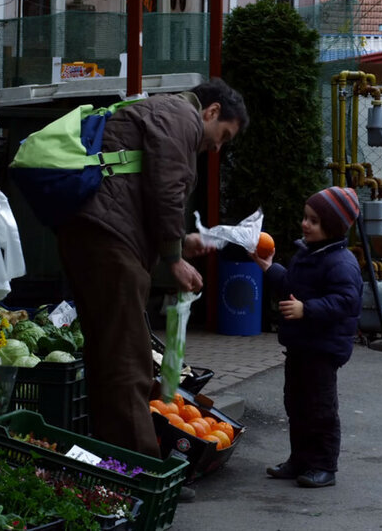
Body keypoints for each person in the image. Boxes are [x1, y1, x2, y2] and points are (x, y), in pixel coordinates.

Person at [55, 78, 248, 461]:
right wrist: (174, 259)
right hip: (110, 243)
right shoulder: (181, 115)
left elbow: (140, 185)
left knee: (107, 354)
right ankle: (139, 468)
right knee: (130, 360)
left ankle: (110, 463)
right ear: (211, 112)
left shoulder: (159, 112)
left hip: (93, 236)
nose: (217, 147)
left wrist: (179, 242)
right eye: (223, 135)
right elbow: (167, 187)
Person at [251, 186, 363, 489]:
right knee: (296, 404)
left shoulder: (341, 262)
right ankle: (299, 460)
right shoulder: (307, 253)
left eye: (314, 220)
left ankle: (324, 465)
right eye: (305, 217)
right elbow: (291, 285)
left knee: (320, 409)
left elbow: (346, 301)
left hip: (323, 350)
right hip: (301, 345)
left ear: (332, 227)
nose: (305, 224)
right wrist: (269, 268)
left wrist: (307, 309)